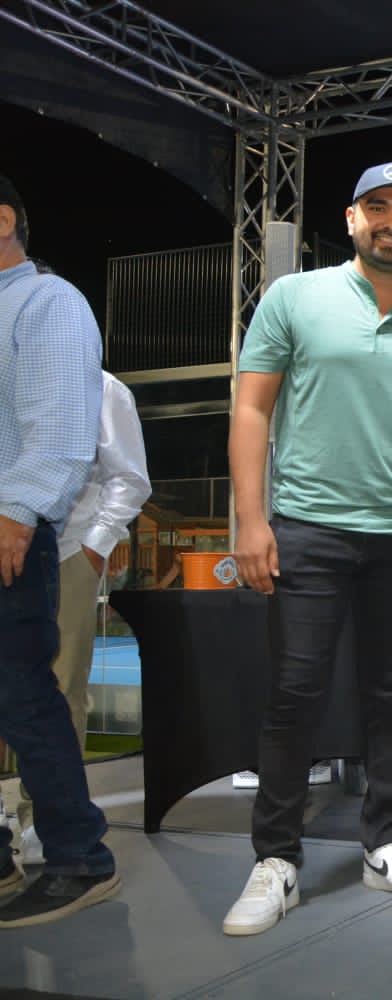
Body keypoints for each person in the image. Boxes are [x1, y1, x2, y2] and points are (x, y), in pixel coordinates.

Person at [223, 162, 392, 936]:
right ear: (352, 218)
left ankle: (385, 842)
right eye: (378, 207)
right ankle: (275, 859)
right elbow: (252, 411)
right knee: (295, 693)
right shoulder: (294, 297)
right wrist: (251, 520)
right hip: (308, 527)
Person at [0, 172, 121, 927]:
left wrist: (17, 513)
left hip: (9, 530)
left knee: (25, 699)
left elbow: (60, 429)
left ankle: (78, 857)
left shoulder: (46, 301)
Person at [14, 368, 150, 865]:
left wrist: (95, 547)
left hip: (65, 549)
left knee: (59, 686)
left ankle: (45, 819)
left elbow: (129, 478)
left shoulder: (100, 386)